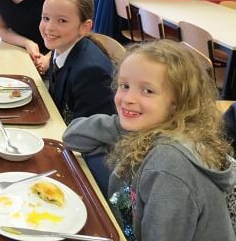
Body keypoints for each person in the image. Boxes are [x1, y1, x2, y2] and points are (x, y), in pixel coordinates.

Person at [63, 40, 236, 241]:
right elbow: (72, 137)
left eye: (148, 91)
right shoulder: (153, 127)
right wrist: (126, 122)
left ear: (177, 103)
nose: (128, 98)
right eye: (124, 86)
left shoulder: (169, 164)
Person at [39, 0, 115, 124]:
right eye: (46, 18)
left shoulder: (91, 72)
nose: (49, 27)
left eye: (62, 20)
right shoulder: (59, 49)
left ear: (84, 27)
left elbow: (88, 135)